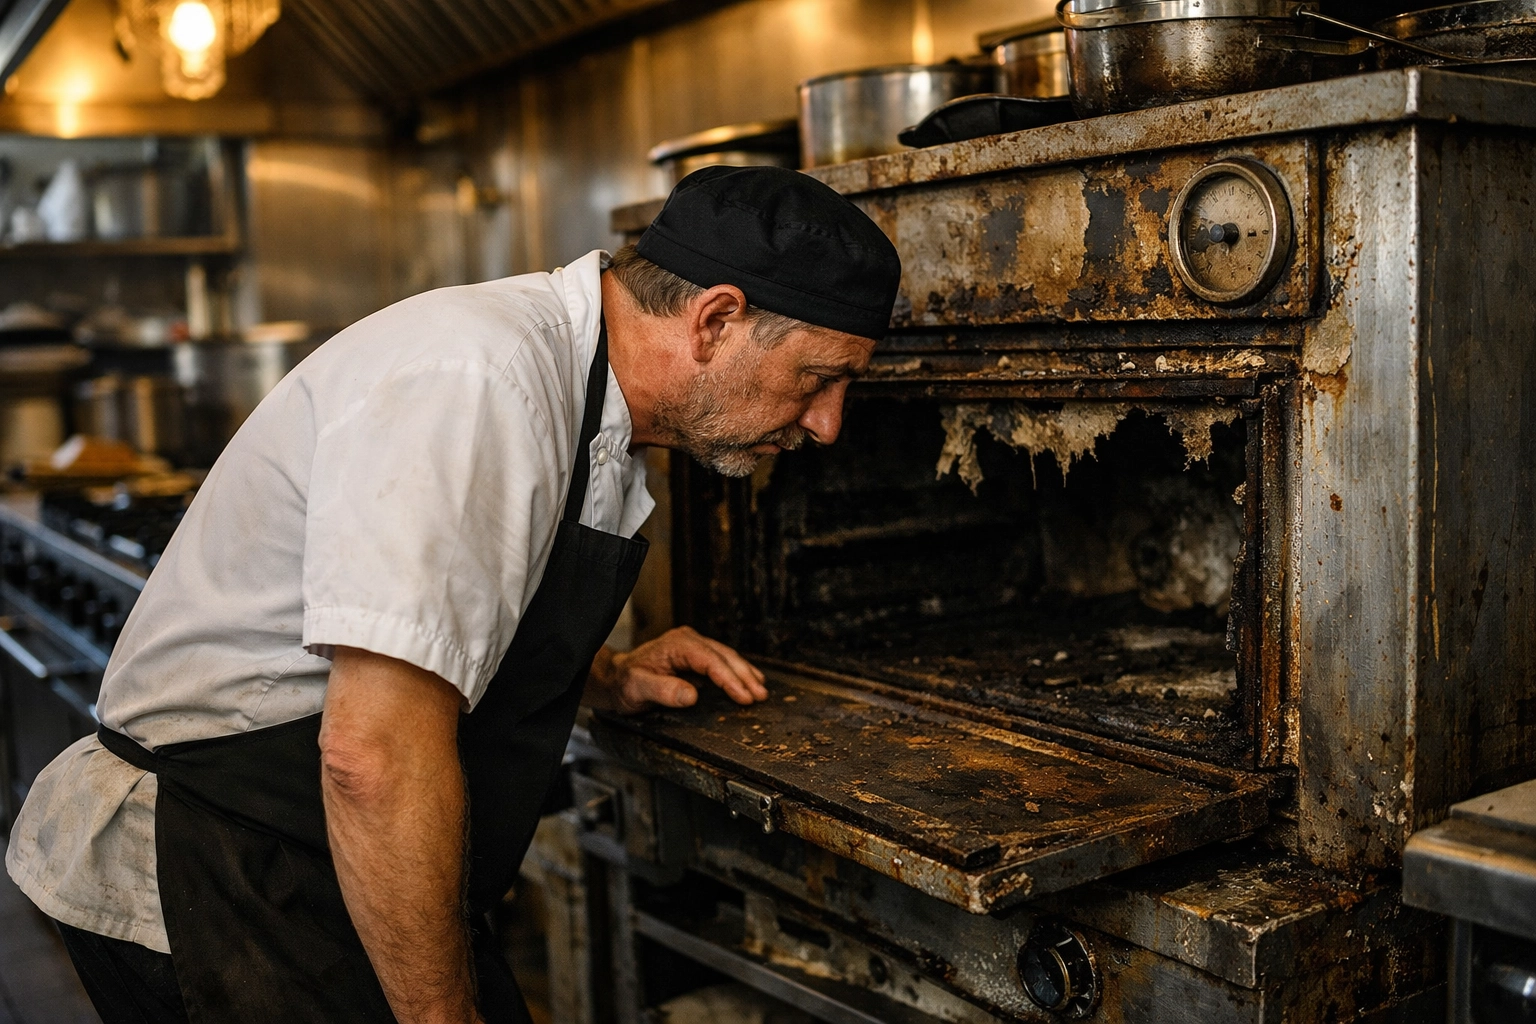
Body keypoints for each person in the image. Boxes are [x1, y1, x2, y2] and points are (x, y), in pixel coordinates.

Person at [5, 165, 902, 1024]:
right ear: (715, 320)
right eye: (819, 379)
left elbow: (442, 623)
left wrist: (604, 674)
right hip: (220, 860)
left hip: (315, 847)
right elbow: (371, 756)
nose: (826, 424)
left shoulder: (588, 403)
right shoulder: (481, 382)